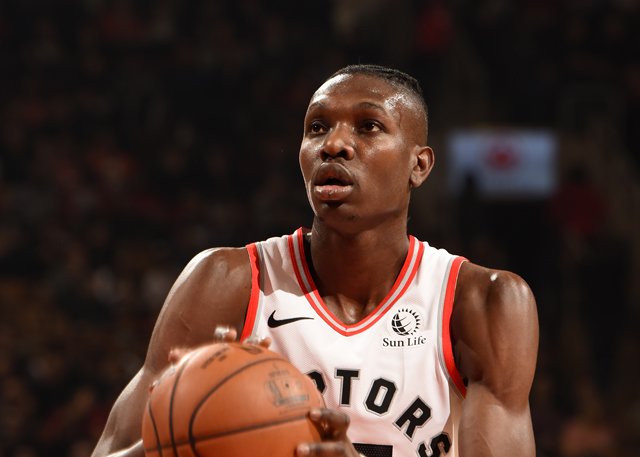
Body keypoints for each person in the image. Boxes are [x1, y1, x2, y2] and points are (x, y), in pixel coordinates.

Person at [92, 64, 539, 457]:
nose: (334, 144)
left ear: (418, 165)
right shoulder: (228, 283)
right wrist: (188, 416)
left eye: (368, 126)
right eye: (318, 127)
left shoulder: (482, 302)